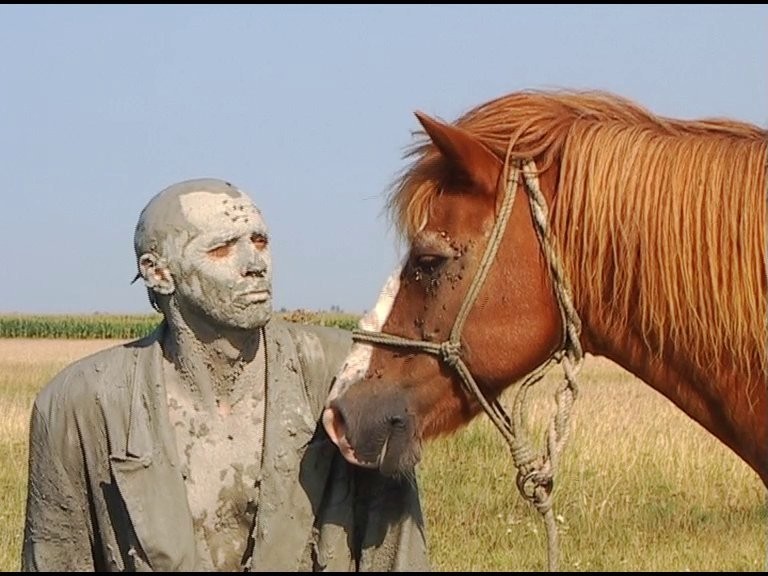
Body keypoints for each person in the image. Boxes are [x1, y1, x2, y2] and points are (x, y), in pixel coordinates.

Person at [21, 178, 430, 572]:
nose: (255, 264)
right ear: (158, 272)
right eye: (221, 248)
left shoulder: (348, 374)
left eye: (260, 241)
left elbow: (397, 553)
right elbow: (57, 554)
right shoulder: (83, 403)